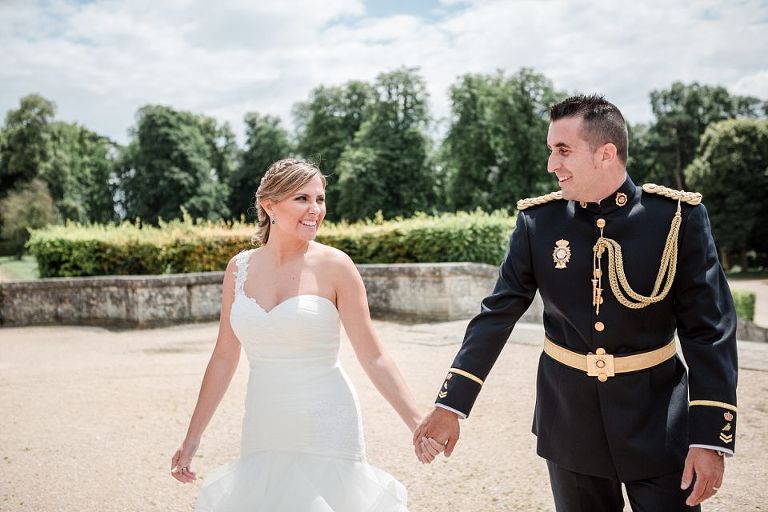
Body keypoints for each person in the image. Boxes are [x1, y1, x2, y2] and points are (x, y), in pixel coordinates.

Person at [414, 95, 738, 511]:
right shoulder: (538, 223)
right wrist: (450, 404)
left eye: (563, 150)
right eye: (551, 150)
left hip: (658, 423)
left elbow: (709, 332)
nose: (552, 164)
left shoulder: (676, 219)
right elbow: (496, 314)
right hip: (569, 424)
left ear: (606, 153)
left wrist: (710, 437)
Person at [171, 158, 442, 511]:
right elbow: (224, 356)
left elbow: (373, 355)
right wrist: (192, 439)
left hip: (326, 422)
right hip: (265, 423)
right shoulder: (238, 269)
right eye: (302, 199)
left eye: (320, 199)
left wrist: (417, 422)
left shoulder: (336, 266)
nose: (315, 209)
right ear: (269, 206)